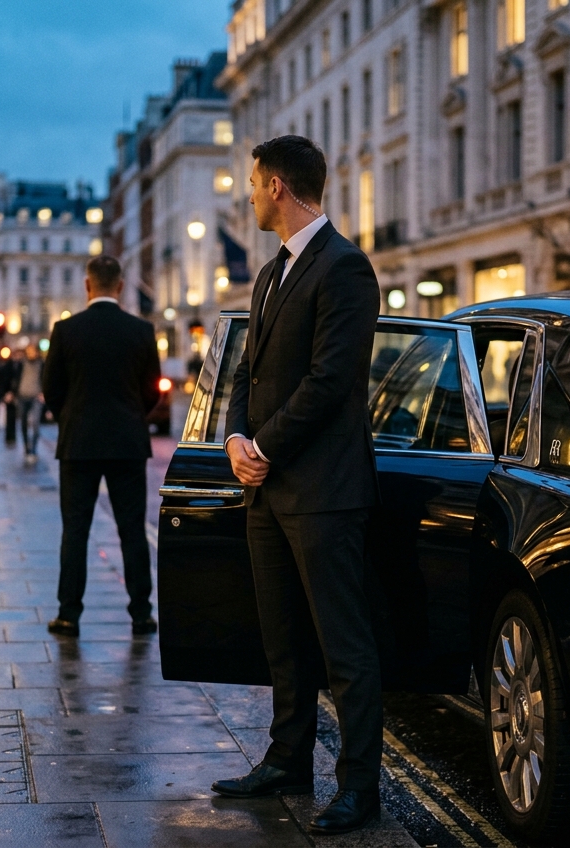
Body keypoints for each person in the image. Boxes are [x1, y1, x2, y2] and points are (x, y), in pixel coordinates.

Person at [209, 136, 382, 836]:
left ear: (278, 185)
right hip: (269, 488)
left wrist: (263, 446)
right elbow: (248, 373)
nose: (247, 195)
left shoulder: (346, 268)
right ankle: (287, 761)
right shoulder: (271, 272)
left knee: (344, 648)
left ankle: (359, 789)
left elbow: (330, 381)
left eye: (252, 184)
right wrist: (232, 439)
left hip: (325, 490)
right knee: (282, 641)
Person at [43, 254, 160, 638]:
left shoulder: (65, 330)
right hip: (127, 441)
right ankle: (141, 613)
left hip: (79, 442)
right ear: (121, 286)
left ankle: (69, 614)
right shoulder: (141, 331)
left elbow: (51, 389)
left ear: (87, 285)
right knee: (132, 530)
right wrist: (131, 416)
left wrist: (71, 417)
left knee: (75, 530)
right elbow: (151, 390)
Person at [10, 344, 44, 463]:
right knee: (23, 423)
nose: (31, 354)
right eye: (28, 351)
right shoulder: (20, 364)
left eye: (33, 351)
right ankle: (26, 448)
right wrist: (13, 393)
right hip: (22, 397)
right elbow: (14, 379)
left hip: (36, 397)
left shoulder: (42, 364)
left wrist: (43, 393)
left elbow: (46, 379)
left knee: (35, 424)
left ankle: (33, 449)